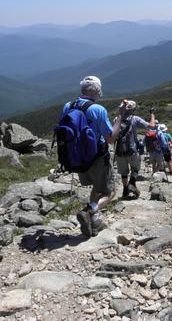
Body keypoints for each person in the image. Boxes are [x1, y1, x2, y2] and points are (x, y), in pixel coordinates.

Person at [61, 76, 127, 238]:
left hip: (76, 157)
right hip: (97, 157)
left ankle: (93, 221)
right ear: (98, 90)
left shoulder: (67, 106)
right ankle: (89, 211)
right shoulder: (98, 109)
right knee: (110, 192)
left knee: (97, 188)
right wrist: (120, 116)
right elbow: (111, 138)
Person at [114, 100, 155, 199]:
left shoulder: (116, 119)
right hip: (132, 150)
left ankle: (125, 190)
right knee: (135, 168)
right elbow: (152, 126)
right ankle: (132, 183)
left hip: (119, 151)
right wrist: (152, 114)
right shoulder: (135, 118)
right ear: (133, 109)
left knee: (124, 172)